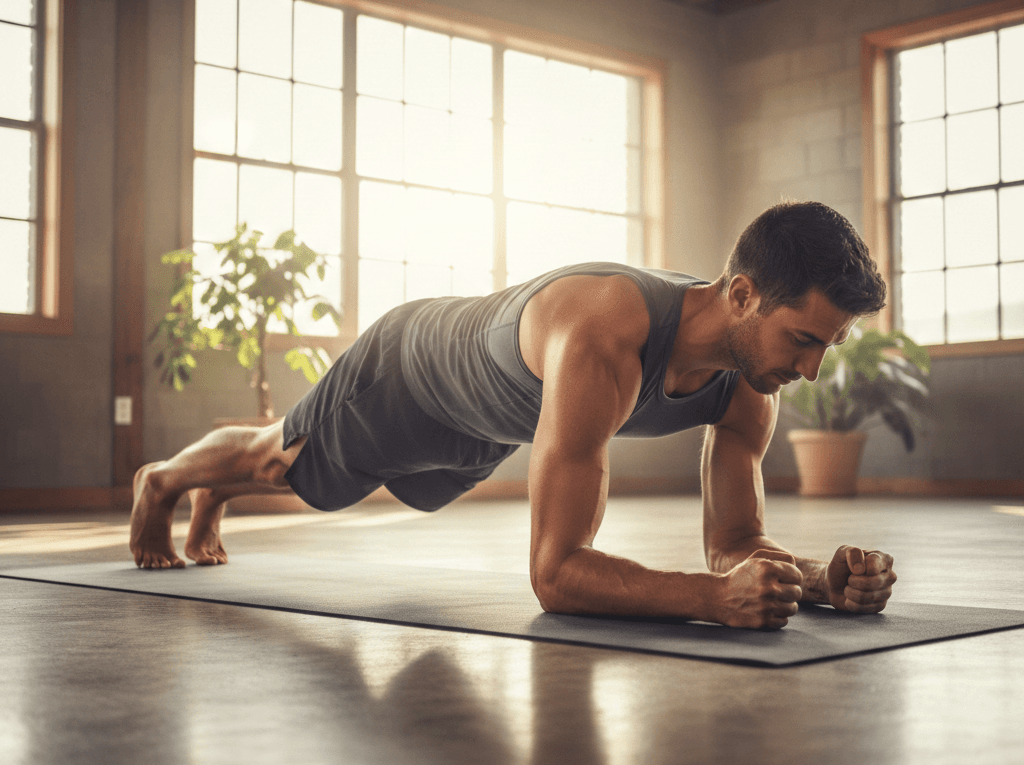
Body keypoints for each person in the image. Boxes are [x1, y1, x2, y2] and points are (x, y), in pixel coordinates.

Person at [130, 200, 898, 629]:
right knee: (288, 464)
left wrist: (815, 581)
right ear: (741, 295)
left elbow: (735, 543)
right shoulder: (606, 332)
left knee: (324, 479)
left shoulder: (746, 387)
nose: (809, 370)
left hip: (484, 429)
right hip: (416, 369)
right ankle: (165, 482)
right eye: (803, 340)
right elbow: (556, 575)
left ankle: (214, 495)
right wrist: (710, 602)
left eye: (823, 348)